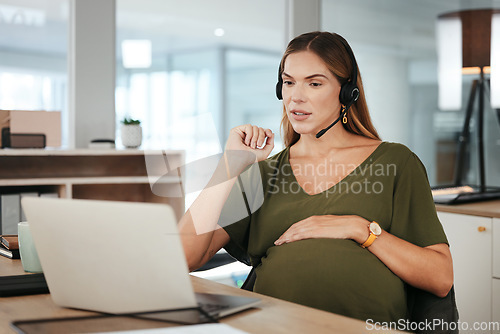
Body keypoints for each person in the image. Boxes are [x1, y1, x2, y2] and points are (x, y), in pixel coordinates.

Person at [178, 31, 453, 323]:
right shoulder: (264, 173)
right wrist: (230, 165)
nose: (296, 96)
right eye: (288, 82)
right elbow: (181, 258)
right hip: (272, 327)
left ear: (347, 92)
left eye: (314, 83)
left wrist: (359, 229)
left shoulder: (396, 163)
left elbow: (440, 277)